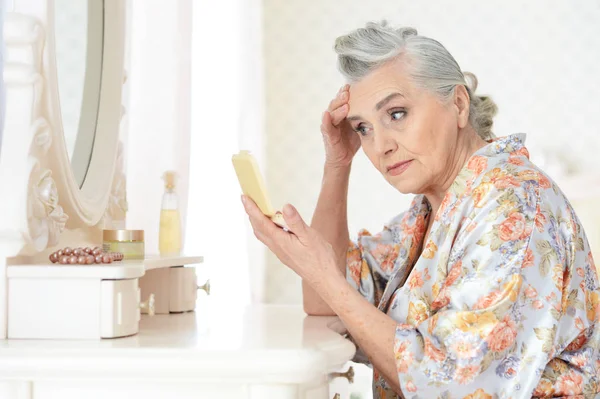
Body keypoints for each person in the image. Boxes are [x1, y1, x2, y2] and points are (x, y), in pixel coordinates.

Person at [241, 21, 600, 398]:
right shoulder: (430, 211)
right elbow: (324, 301)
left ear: (458, 104)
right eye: (363, 127)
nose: (380, 145)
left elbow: (451, 385)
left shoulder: (514, 205)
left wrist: (323, 276)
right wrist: (338, 162)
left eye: (396, 114)